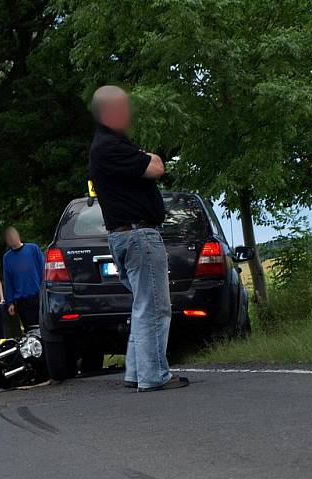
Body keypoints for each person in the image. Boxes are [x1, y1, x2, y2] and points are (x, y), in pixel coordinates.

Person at [88, 85, 188, 392]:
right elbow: (157, 166)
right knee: (155, 306)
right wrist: (148, 157)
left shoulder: (107, 146)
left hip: (124, 236)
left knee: (142, 305)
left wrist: (144, 156)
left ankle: (135, 372)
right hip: (138, 235)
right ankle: (154, 375)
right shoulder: (110, 146)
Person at [2, 226, 44, 329]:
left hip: (39, 296)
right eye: (9, 237)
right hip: (22, 301)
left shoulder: (33, 249)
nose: (12, 238)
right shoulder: (7, 258)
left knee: (44, 327)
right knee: (30, 330)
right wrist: (10, 302)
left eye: (13, 235)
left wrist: (46, 290)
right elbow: (8, 281)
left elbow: (43, 270)